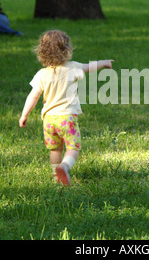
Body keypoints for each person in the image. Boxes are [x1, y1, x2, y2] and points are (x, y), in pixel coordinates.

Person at [19, 30, 114, 187]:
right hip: (67, 118)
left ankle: (57, 176)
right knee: (73, 148)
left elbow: (33, 96)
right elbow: (89, 67)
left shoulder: (41, 74)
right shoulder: (73, 68)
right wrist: (104, 63)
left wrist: (24, 115)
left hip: (49, 120)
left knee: (55, 150)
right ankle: (65, 166)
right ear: (66, 50)